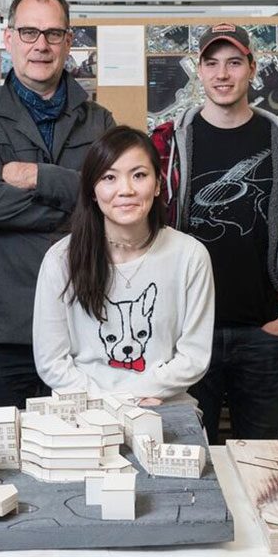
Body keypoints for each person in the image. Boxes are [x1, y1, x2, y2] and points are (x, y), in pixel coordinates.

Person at [151, 23, 278, 441]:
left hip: (261, 333)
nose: (222, 74)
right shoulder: (166, 143)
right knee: (186, 454)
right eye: (211, 63)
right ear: (199, 70)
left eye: (233, 62)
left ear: (252, 67)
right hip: (187, 335)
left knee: (264, 460)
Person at [0, 0, 115, 408]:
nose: (40, 45)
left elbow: (110, 206)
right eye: (29, 32)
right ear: (9, 40)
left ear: (68, 41)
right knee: (1, 455)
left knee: (82, 452)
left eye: (52, 33)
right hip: (0, 327)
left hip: (80, 322)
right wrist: (76, 197)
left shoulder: (99, 121)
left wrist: (36, 175)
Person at [33, 126, 214, 404]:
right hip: (84, 410)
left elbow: (194, 356)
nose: (126, 190)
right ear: (93, 190)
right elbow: (51, 361)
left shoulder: (190, 255)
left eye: (139, 175)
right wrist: (106, 401)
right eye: (109, 177)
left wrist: (141, 394)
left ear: (157, 185)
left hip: (162, 405)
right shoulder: (61, 259)